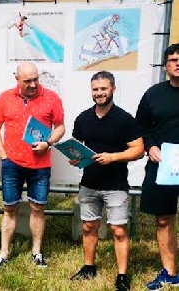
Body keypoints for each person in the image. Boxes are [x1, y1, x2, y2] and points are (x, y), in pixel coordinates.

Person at [69, 71, 143, 291]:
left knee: (118, 230)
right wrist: (76, 158)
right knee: (89, 226)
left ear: (113, 89)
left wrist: (113, 157)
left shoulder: (124, 119)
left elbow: (139, 150)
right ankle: (88, 267)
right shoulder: (83, 118)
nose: (99, 93)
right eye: (95, 89)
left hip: (116, 185)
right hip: (89, 183)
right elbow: (76, 146)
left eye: (103, 88)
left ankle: (122, 276)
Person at [0, 62, 65, 269]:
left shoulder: (51, 97)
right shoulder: (5, 97)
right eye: (27, 81)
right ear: (17, 79)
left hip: (40, 166)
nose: (33, 84)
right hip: (11, 164)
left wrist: (48, 142)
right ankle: (3, 252)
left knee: (38, 208)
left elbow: (60, 127)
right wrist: (2, 154)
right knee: (9, 208)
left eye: (36, 79)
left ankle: (37, 252)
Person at [136, 43, 179, 290]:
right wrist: (150, 146)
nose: (177, 63)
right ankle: (169, 273)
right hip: (162, 165)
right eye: (173, 59)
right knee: (164, 220)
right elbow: (141, 126)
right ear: (166, 66)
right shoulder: (153, 94)